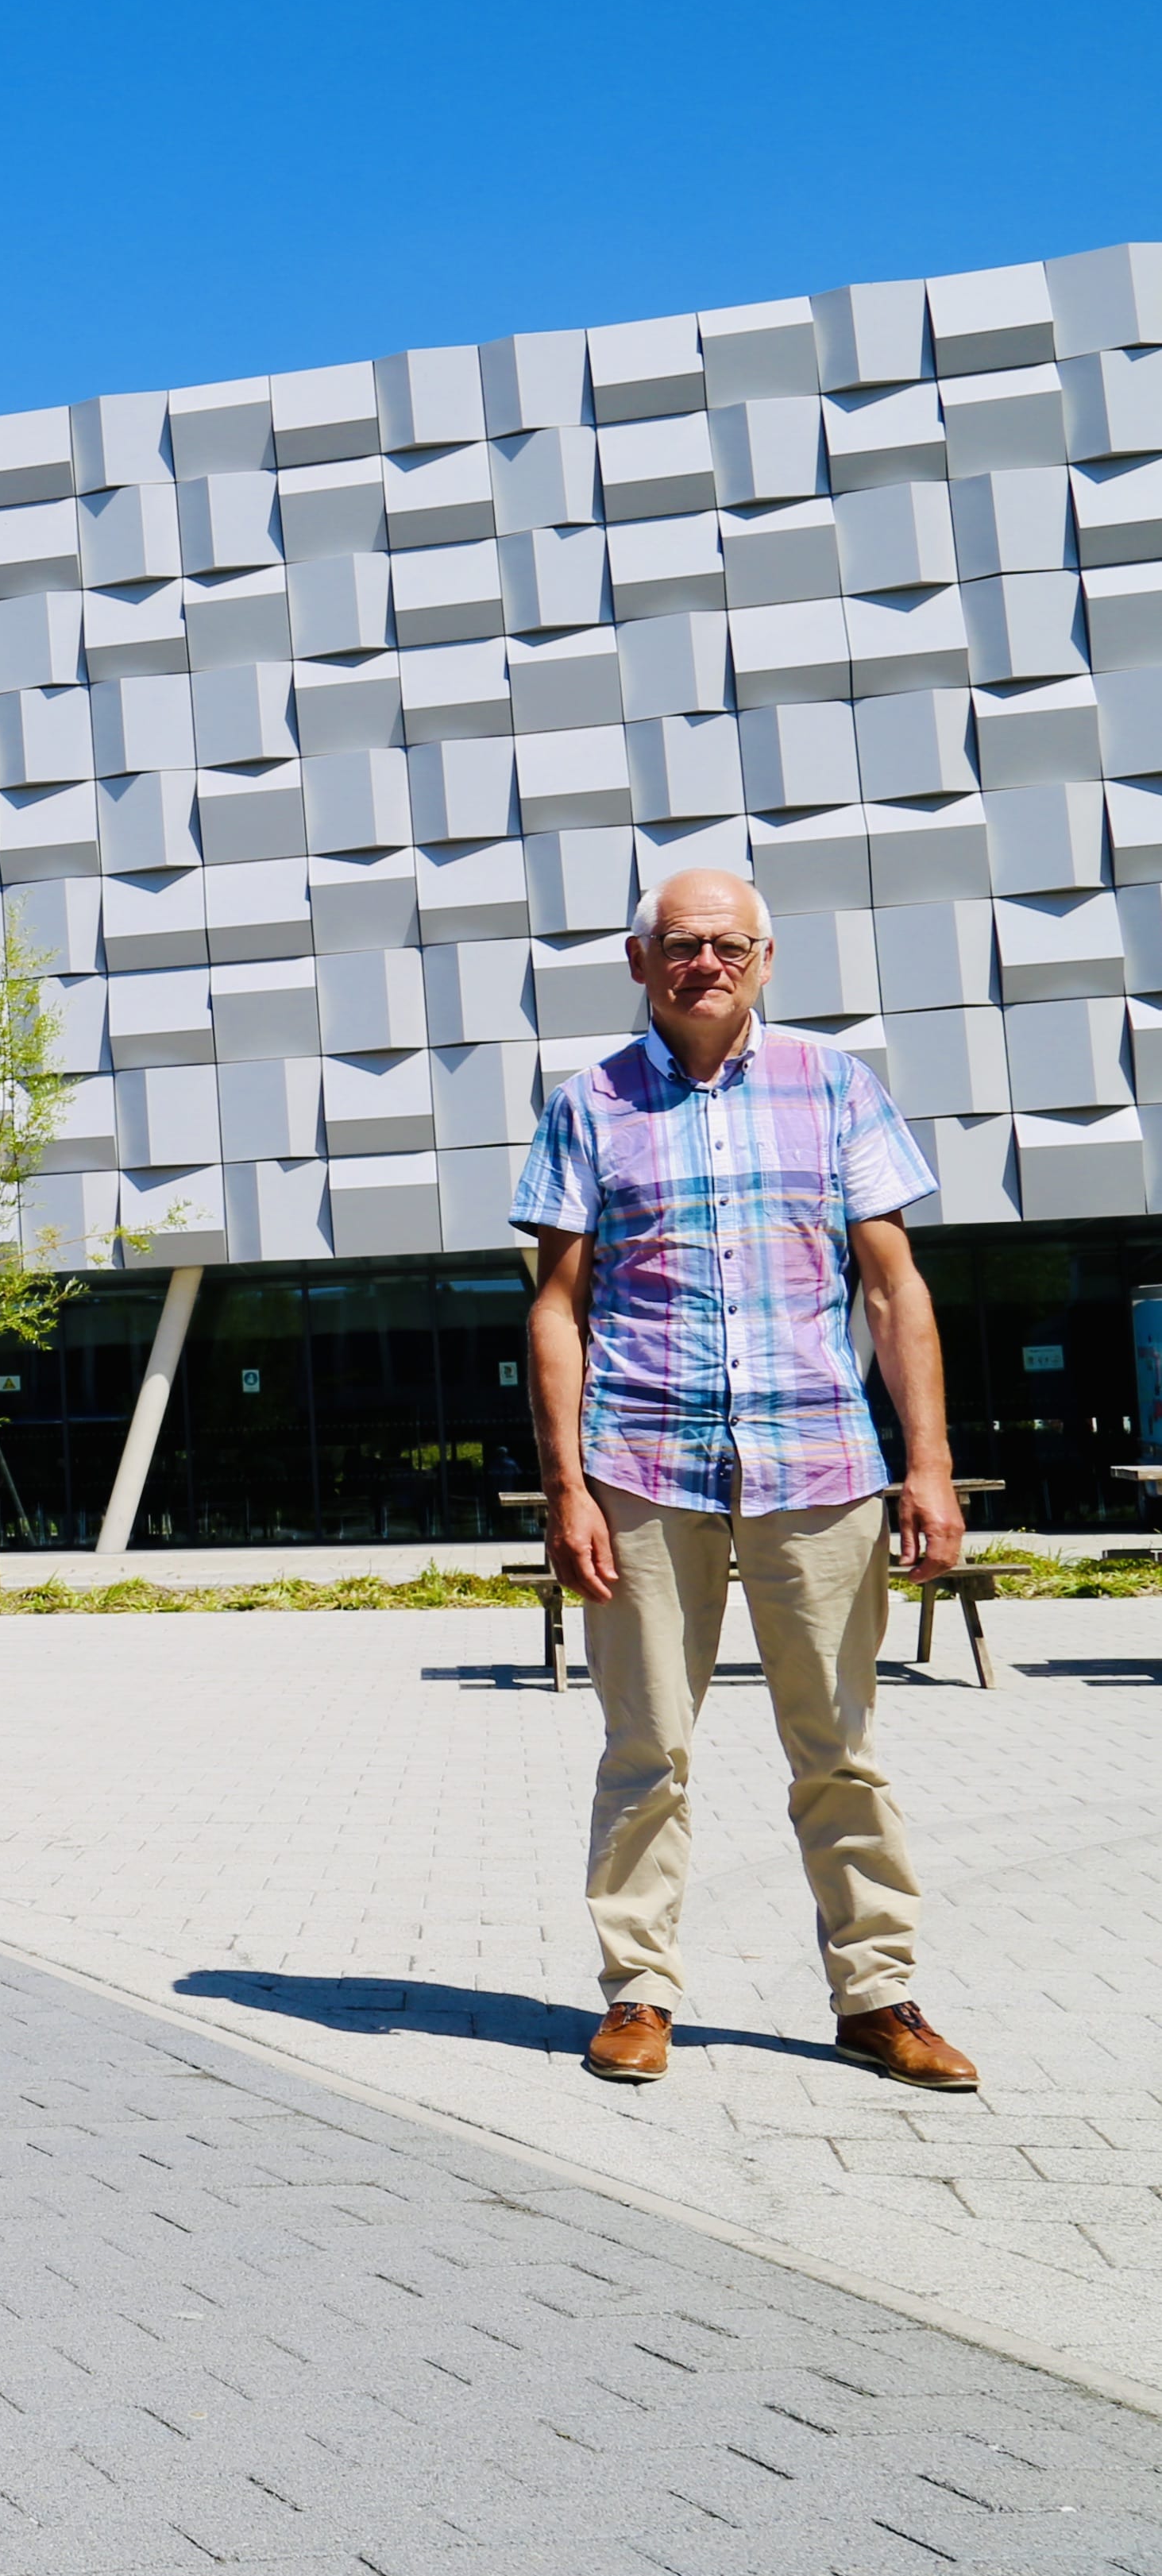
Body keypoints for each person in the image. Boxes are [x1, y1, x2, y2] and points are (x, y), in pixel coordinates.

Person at [518, 868, 977, 2093]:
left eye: (726, 944)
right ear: (638, 960)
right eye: (679, 943)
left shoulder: (833, 1087)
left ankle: (876, 1996)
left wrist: (924, 1466)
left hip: (817, 1465)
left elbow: (891, 1290)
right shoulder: (587, 1104)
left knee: (837, 1747)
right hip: (643, 1465)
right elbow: (555, 1308)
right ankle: (637, 1991)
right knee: (645, 1748)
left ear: (764, 959)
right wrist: (565, 1485)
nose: (703, 962)